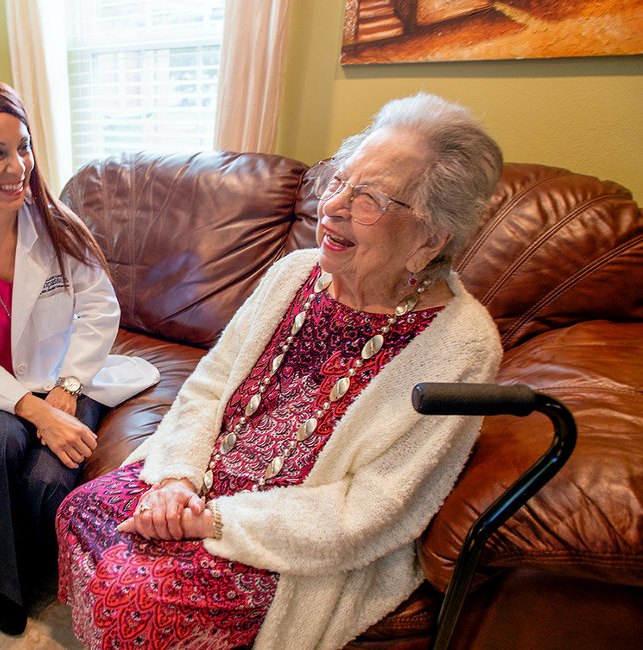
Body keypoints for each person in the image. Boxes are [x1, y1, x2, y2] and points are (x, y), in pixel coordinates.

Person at [55, 92, 504, 649]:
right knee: (80, 510)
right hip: (200, 479)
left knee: (135, 599)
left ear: (431, 238)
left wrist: (213, 523)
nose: (333, 207)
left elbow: (375, 510)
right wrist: (174, 480)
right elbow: (211, 382)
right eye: (339, 180)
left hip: (288, 538)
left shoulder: (461, 345)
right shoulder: (296, 271)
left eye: (369, 200)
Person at [0, 79, 159, 635]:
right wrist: (33, 409)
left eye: (23, 146)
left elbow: (99, 312)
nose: (17, 165)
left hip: (65, 377)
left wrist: (65, 390)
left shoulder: (57, 226)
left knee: (49, 478)